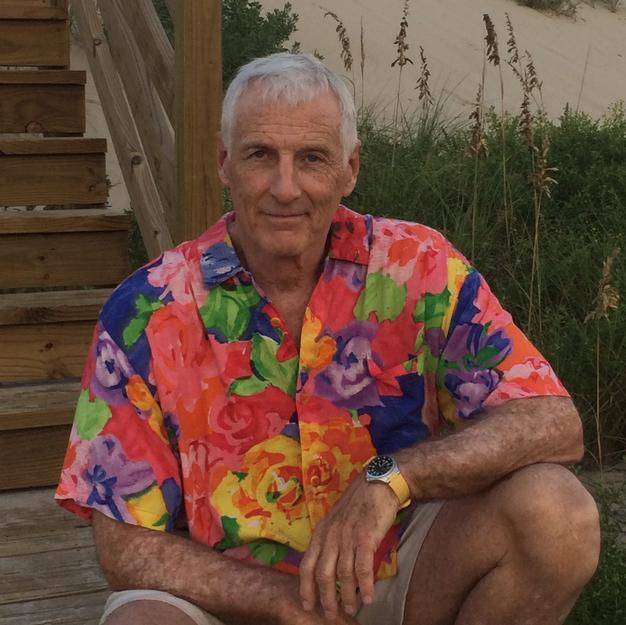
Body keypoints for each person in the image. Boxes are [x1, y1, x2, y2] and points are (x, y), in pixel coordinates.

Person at [55, 53, 600, 625]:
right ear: (223, 162)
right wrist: (283, 603)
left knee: (555, 514)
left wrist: (391, 478)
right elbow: (123, 546)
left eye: (312, 158)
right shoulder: (147, 311)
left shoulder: (420, 268)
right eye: (260, 155)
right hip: (225, 595)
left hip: (397, 576)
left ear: (351, 168)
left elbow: (552, 422)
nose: (285, 188)